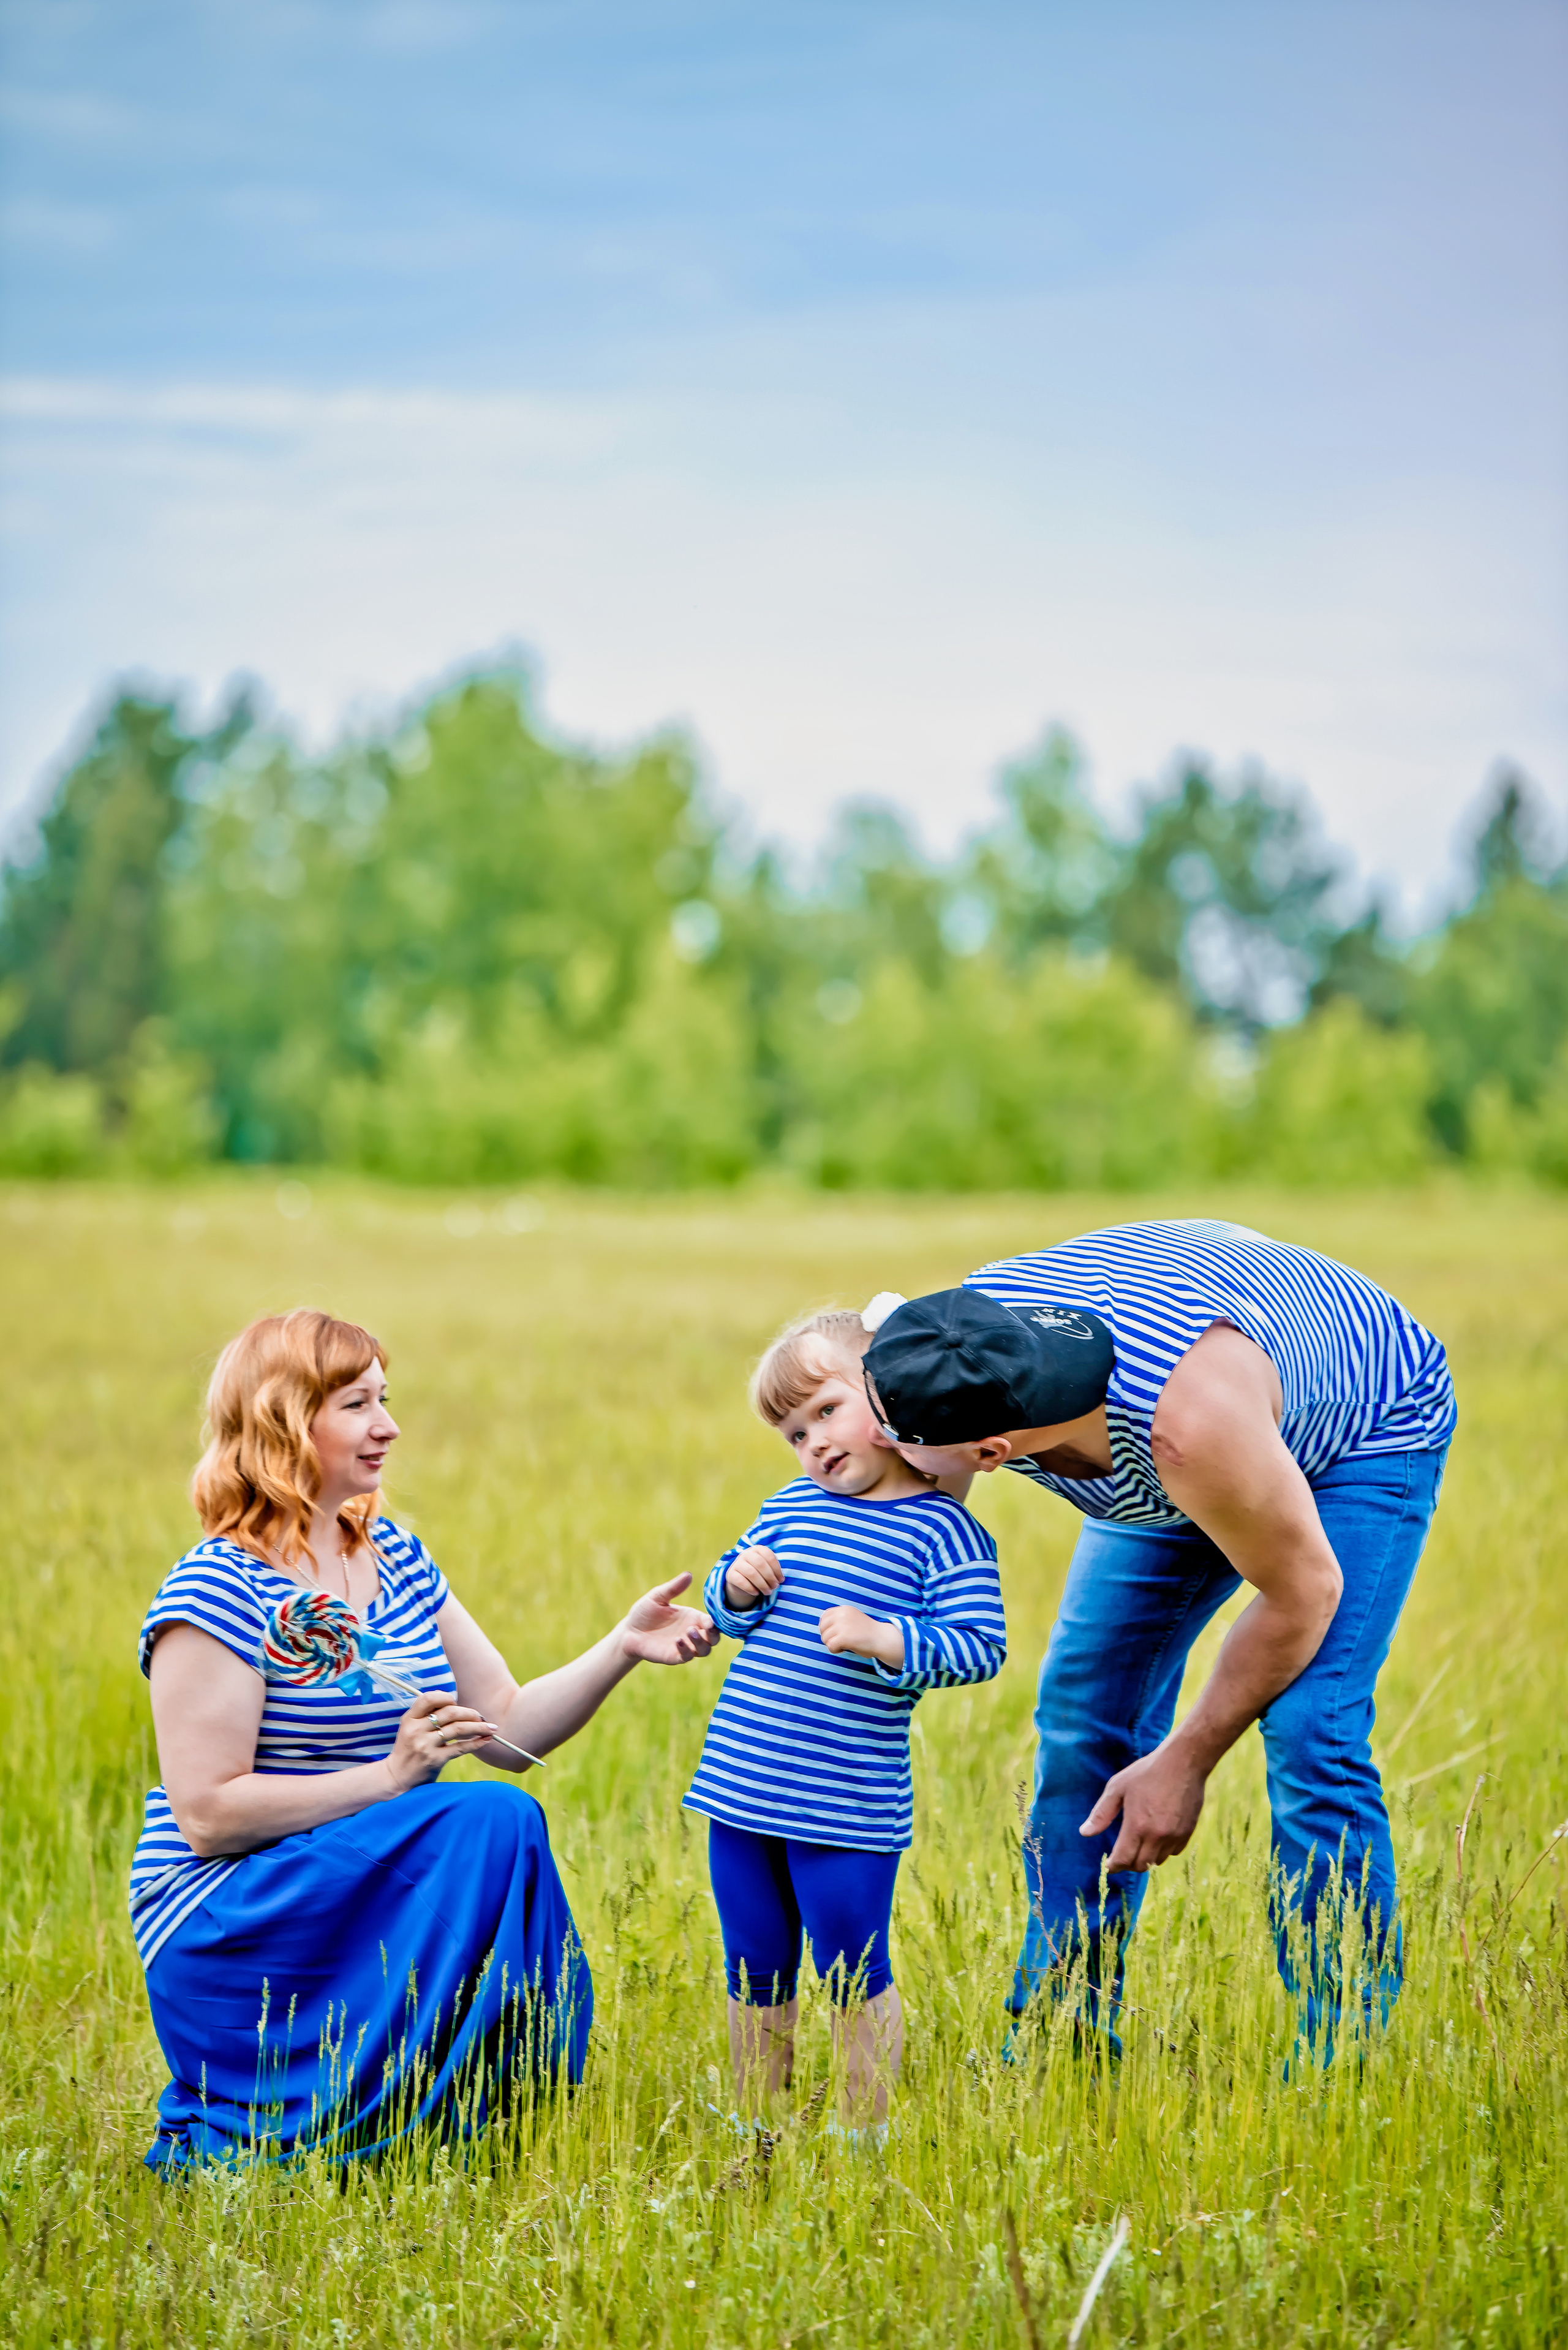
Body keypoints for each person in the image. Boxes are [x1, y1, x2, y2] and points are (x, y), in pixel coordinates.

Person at [132, 1309, 718, 2171]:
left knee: (497, 1814)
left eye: (385, 1398)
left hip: (352, 1882)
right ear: (285, 1423)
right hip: (231, 1916)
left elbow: (506, 1731)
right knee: (486, 1823)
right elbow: (209, 1818)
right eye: (358, 1405)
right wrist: (394, 1775)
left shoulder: (396, 1556)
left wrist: (622, 1647)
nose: (388, 1425)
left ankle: (464, 2109)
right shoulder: (217, 1588)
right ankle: (322, 2110)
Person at [860, 1220, 1456, 2061]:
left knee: (1312, 1725)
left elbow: (1304, 1595)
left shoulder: (1186, 1431)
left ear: (992, 1451)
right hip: (1193, 1400)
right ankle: (1063, 2031)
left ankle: (1343, 2057)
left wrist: (1185, 1760)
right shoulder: (947, 1341)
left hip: (1362, 1417)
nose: (876, 1442)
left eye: (894, 1439)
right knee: (1084, 1709)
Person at [684, 1307, 1007, 2130]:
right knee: (754, 1967)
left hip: (845, 1804)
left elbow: (979, 1645)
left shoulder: (943, 1529)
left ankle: (863, 2132)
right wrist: (737, 1584)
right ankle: (757, 2126)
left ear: (891, 1393)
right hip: (742, 1790)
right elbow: (734, 1612)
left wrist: (888, 1639)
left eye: (827, 1411)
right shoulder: (790, 1508)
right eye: (794, 1433)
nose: (814, 1443)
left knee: (853, 1966)